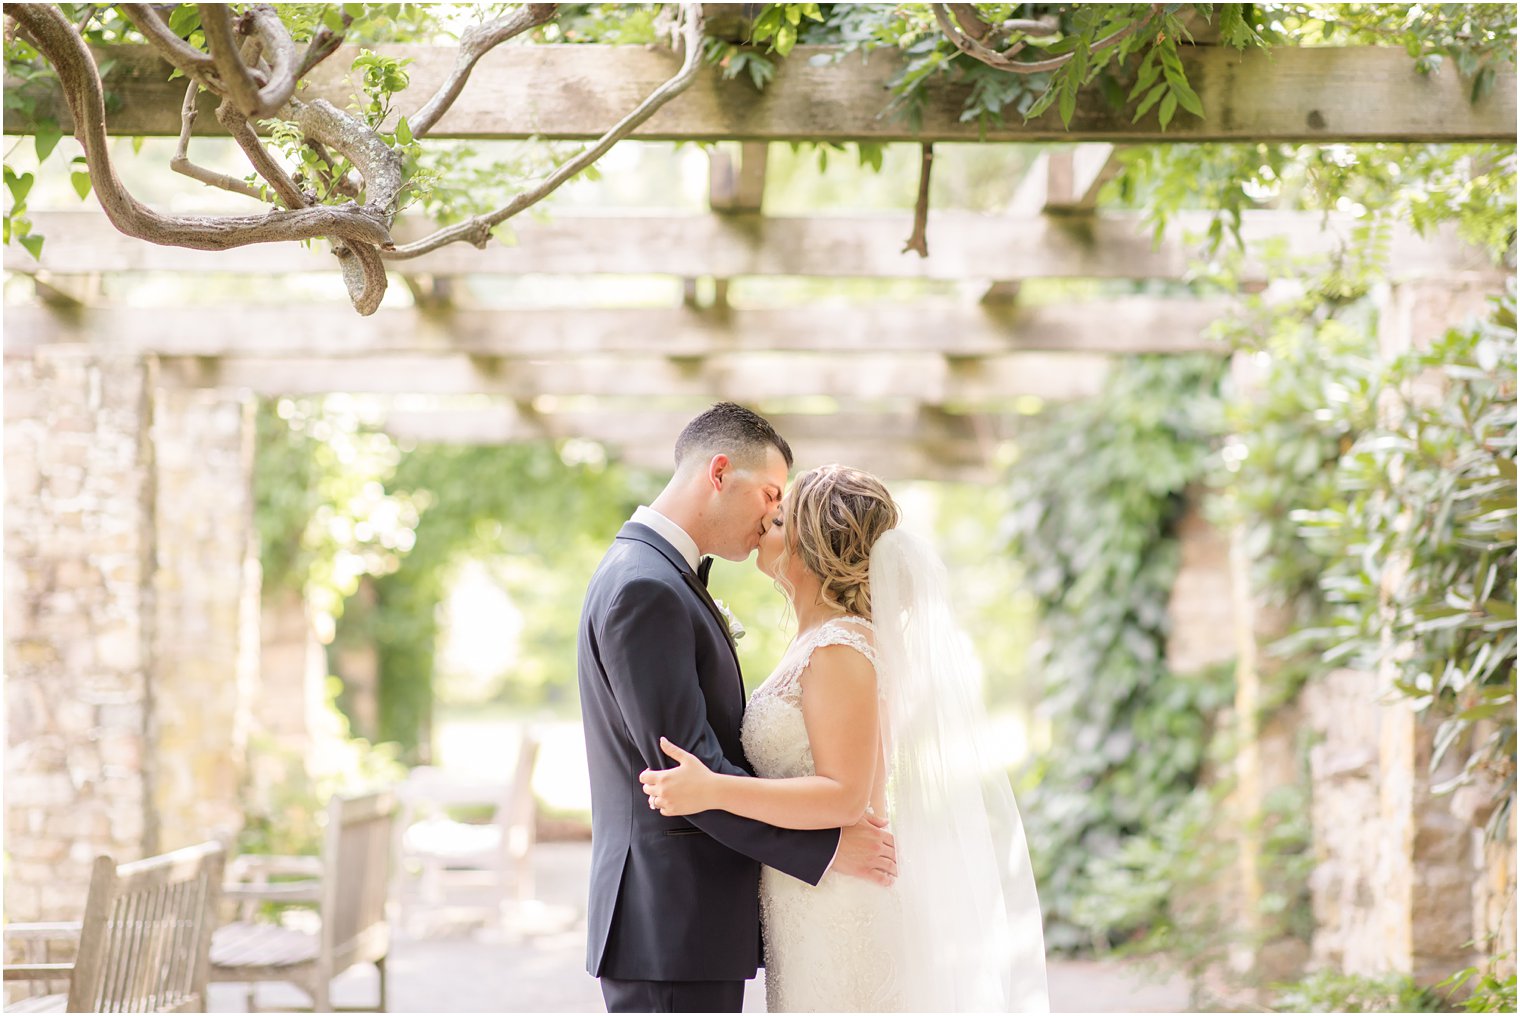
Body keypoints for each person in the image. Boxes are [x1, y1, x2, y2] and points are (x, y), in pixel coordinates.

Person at [640, 464, 1050, 1012]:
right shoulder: (816, 640)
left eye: (780, 518)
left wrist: (712, 790)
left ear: (812, 547)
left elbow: (844, 794)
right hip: (808, 897)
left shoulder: (840, 648)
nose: (765, 522)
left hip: (842, 907)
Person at [576, 405, 899, 1014]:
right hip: (669, 921)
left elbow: (707, 780)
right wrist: (825, 848)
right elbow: (688, 774)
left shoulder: (663, 577)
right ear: (720, 471)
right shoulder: (648, 587)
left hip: (691, 925)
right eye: (771, 495)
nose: (773, 516)